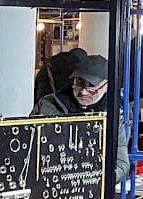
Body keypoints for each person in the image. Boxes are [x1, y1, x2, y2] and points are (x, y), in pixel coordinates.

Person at [33, 52, 130, 183]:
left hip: (91, 188)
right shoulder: (47, 104)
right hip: (48, 183)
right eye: (80, 83)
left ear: (106, 85)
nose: (83, 91)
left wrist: (95, 183)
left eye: (92, 87)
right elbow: (29, 148)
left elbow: (121, 162)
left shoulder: (115, 113)